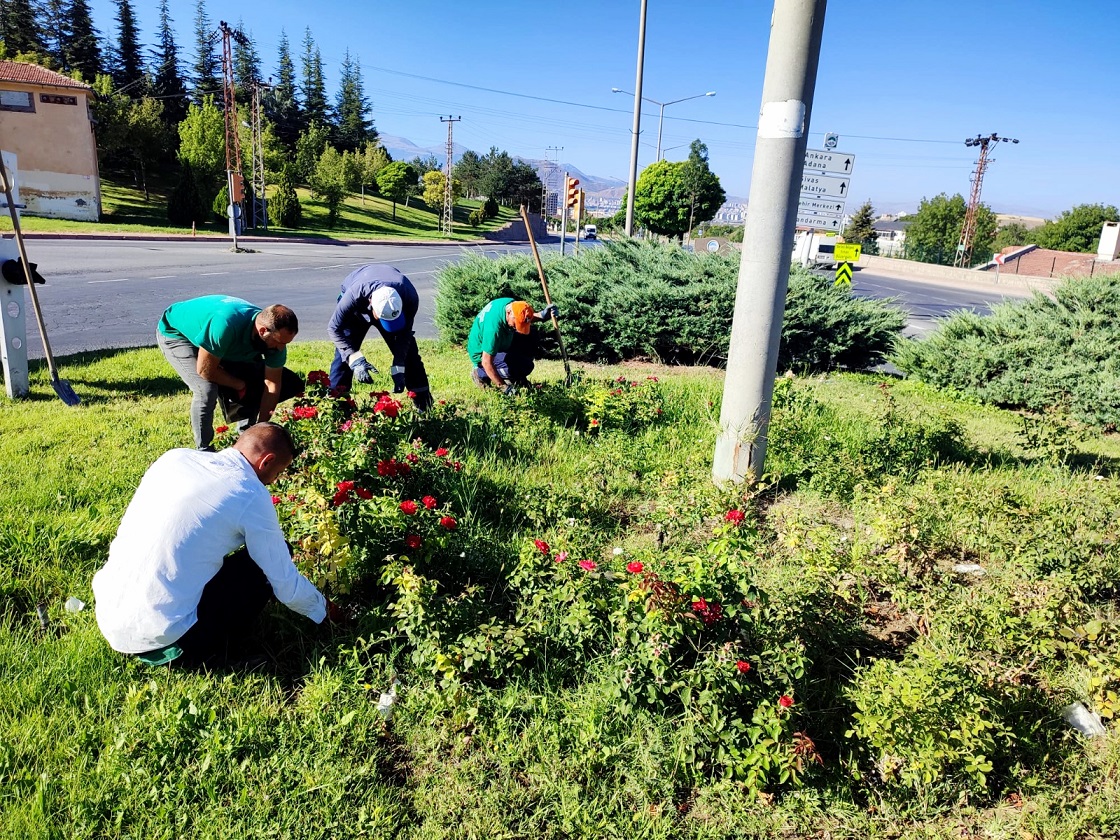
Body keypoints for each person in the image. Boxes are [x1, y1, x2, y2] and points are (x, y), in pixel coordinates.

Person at [92, 423, 341, 667]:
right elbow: (286, 584)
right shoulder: (250, 493)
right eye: (276, 474)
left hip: (110, 618)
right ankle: (208, 653)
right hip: (167, 638)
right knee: (264, 568)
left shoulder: (174, 459)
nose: (274, 482)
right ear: (266, 461)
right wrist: (329, 612)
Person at [157, 295, 304, 451]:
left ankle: (246, 440)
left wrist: (260, 428)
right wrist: (238, 384)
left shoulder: (275, 339)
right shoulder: (226, 325)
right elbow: (205, 370)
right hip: (178, 333)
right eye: (280, 342)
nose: (281, 349)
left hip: (220, 339)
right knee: (206, 390)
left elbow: (272, 384)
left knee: (254, 382)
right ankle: (205, 450)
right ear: (263, 331)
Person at [327, 264, 433, 411]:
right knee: (343, 356)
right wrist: (354, 358)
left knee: (410, 354)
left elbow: (404, 334)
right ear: (373, 309)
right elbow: (333, 328)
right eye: (385, 320)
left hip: (389, 296)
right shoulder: (353, 295)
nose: (389, 325)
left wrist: (399, 365)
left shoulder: (410, 297)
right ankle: (336, 406)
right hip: (357, 305)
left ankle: (424, 405)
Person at [467, 297, 558, 392]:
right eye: (516, 324)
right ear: (509, 313)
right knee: (521, 366)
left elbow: (523, 318)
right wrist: (504, 388)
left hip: (501, 343)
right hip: (482, 355)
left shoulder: (512, 305)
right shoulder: (493, 329)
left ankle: (515, 377)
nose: (516, 327)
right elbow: (486, 362)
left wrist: (541, 315)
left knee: (532, 335)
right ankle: (480, 373)